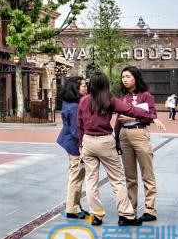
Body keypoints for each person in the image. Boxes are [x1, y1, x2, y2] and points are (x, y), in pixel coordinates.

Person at [77, 72, 155, 227]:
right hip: (105, 141)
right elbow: (130, 110)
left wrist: (81, 144)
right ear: (106, 85)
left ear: (91, 84)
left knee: (91, 180)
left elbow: (79, 124)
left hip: (87, 141)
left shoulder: (84, 100)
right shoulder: (110, 100)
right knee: (117, 179)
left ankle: (96, 215)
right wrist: (149, 114)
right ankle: (126, 215)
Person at [115, 66, 166, 222]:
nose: (125, 79)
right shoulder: (121, 98)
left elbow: (152, 116)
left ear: (136, 78)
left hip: (139, 133)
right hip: (124, 135)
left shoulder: (146, 96)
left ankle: (150, 209)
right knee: (130, 176)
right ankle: (131, 208)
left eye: (128, 76)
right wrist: (116, 137)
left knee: (147, 173)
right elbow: (118, 120)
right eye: (123, 77)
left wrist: (131, 117)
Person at [56, 76, 89, 219]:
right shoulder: (75, 106)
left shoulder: (68, 103)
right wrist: (84, 145)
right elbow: (76, 131)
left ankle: (75, 205)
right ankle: (72, 209)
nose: (86, 88)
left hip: (69, 142)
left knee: (75, 175)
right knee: (76, 176)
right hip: (75, 145)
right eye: (83, 86)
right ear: (75, 88)